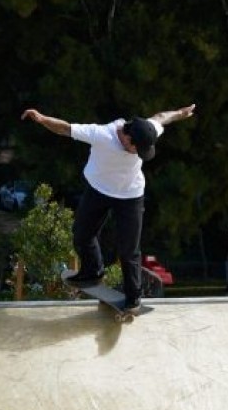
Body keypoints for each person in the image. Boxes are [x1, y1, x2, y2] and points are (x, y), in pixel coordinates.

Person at [21, 103, 196, 311]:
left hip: (130, 195)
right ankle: (92, 272)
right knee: (82, 234)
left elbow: (160, 116)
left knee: (129, 250)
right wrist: (41, 118)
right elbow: (65, 128)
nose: (138, 154)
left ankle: (133, 297)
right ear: (127, 137)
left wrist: (180, 114)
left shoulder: (145, 130)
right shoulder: (101, 135)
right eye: (136, 149)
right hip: (98, 190)